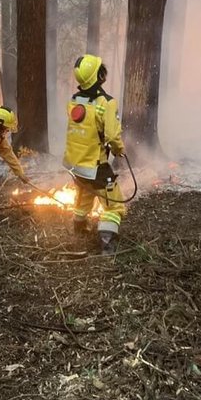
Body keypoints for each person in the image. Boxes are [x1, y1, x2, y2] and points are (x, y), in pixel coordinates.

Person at [63, 55, 126, 254]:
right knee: (114, 206)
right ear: (99, 76)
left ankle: (79, 229)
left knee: (85, 194)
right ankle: (107, 242)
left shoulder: (74, 101)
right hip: (96, 165)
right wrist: (119, 150)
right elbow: (112, 135)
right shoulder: (106, 103)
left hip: (75, 164)